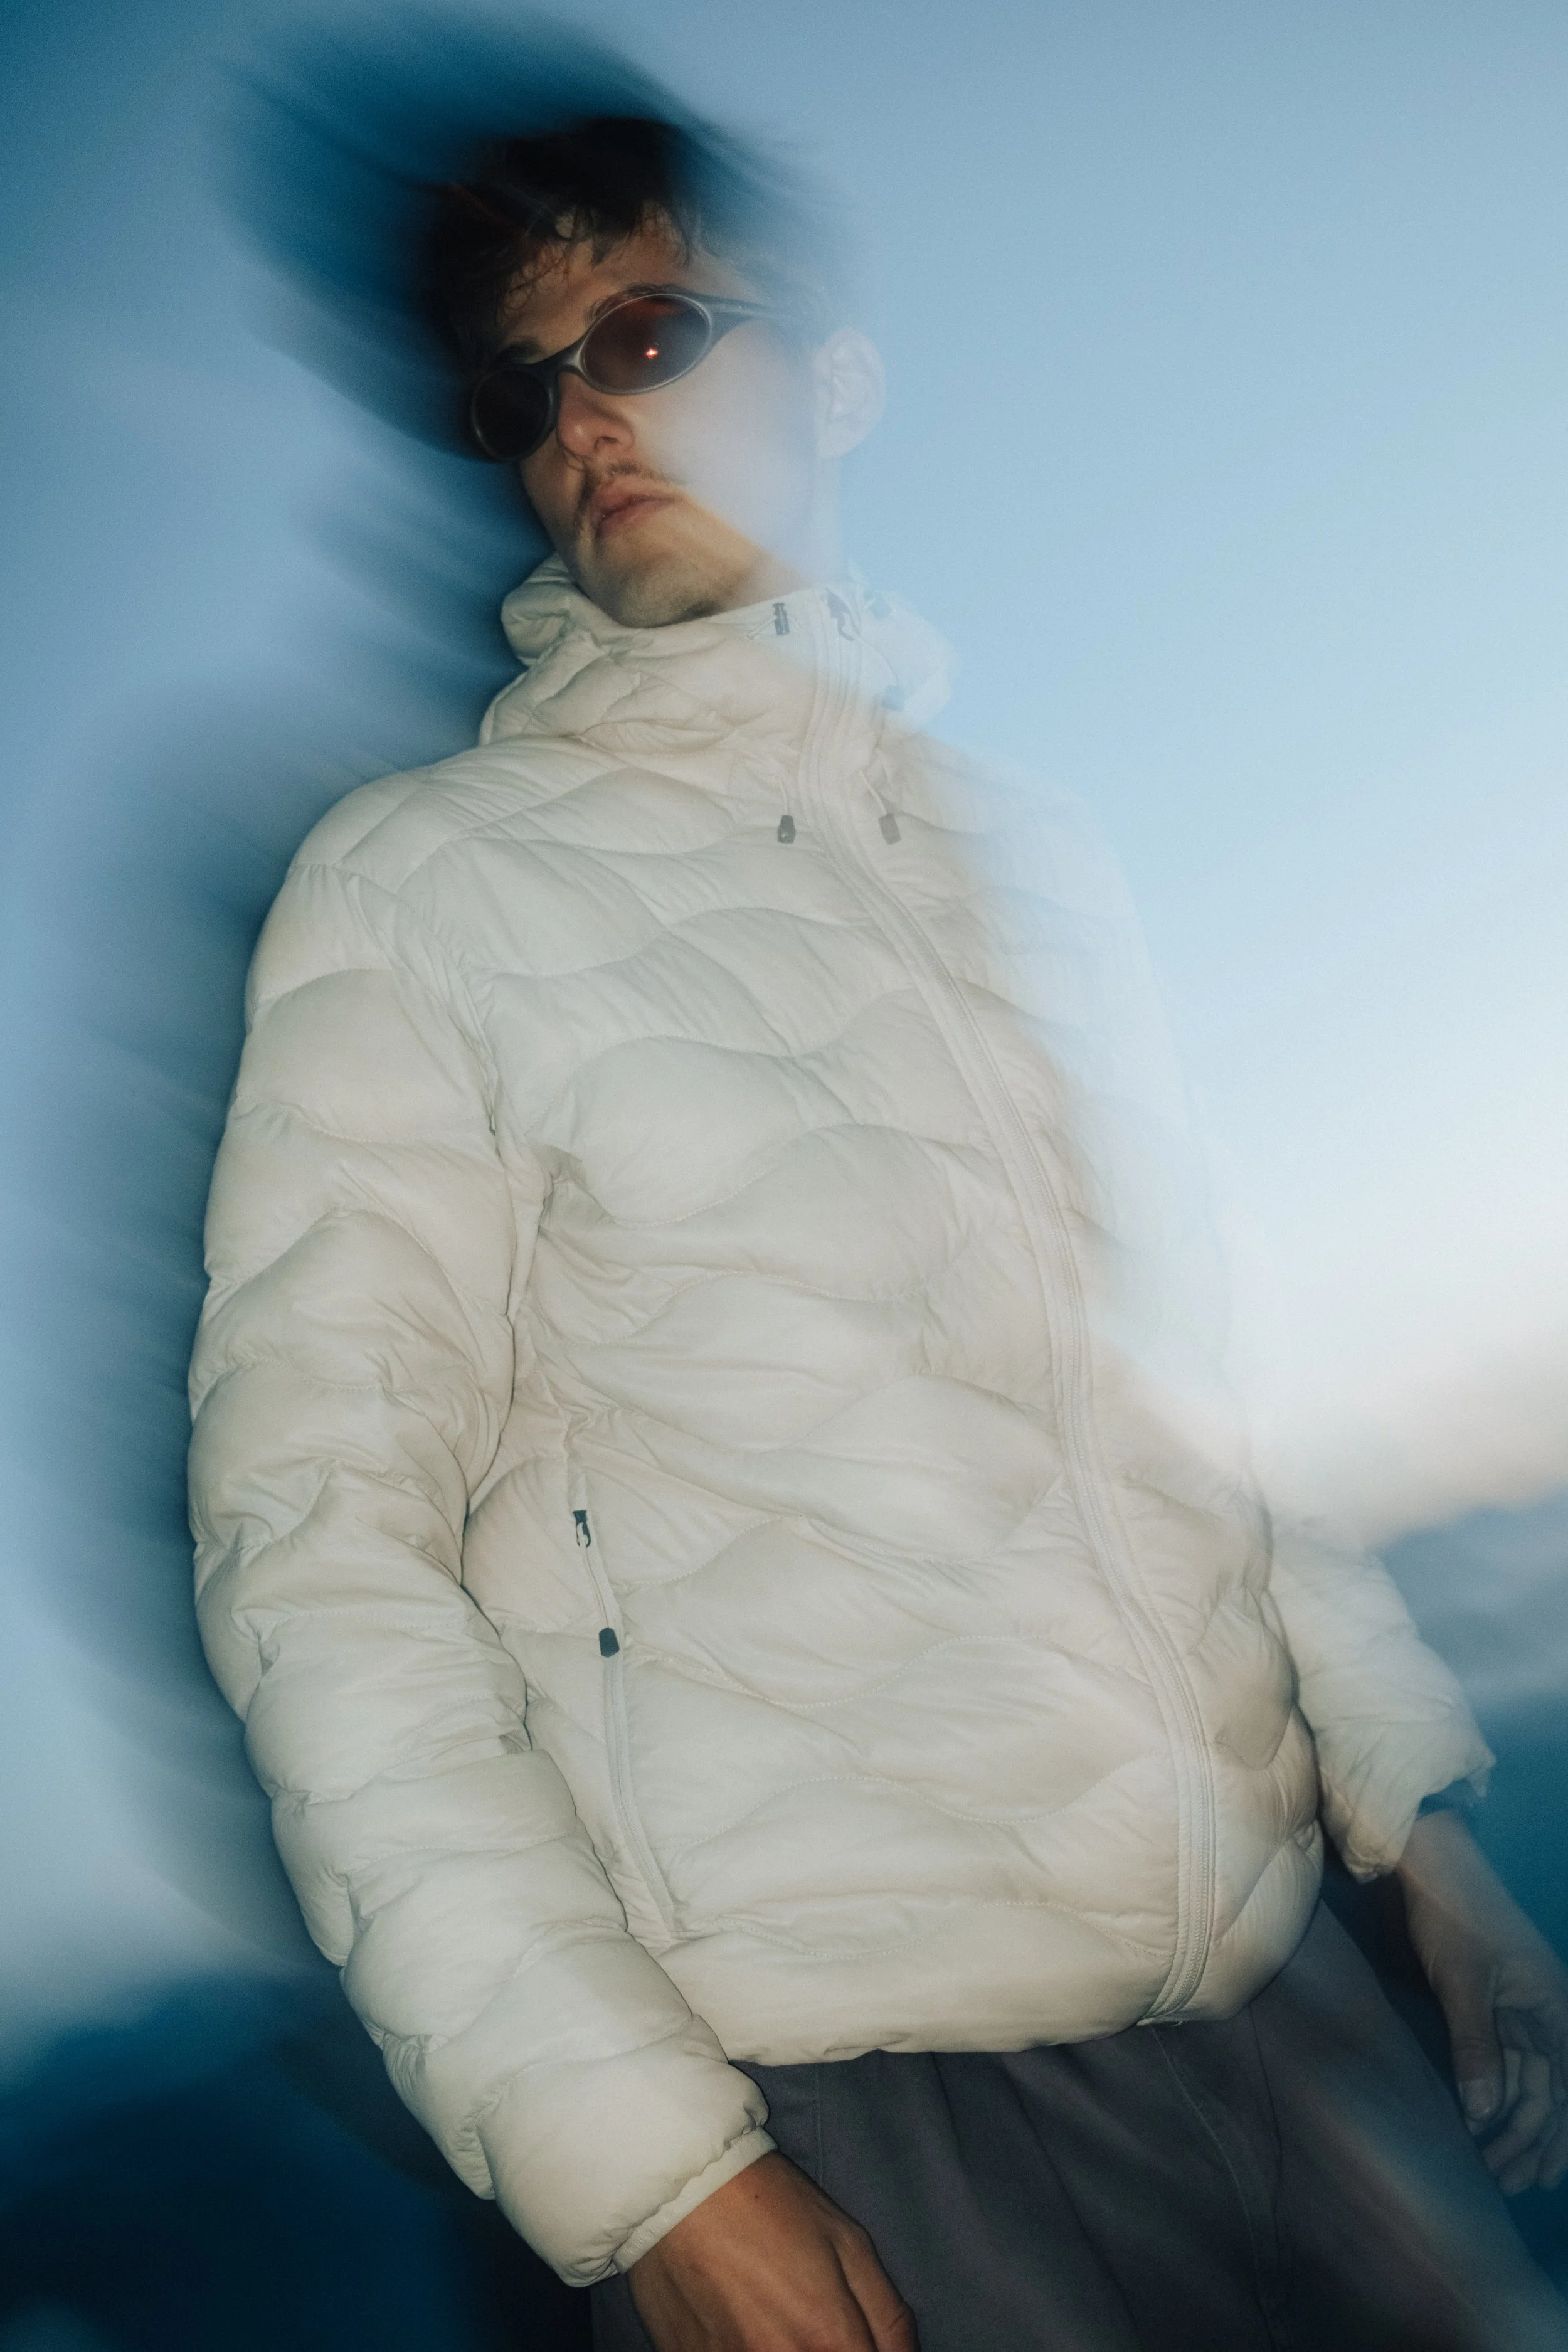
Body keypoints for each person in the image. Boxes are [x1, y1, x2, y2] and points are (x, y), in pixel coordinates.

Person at [188, 110, 1568, 2351]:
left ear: (835, 379)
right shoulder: (423, 883)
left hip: (1262, 2006)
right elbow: (316, 1542)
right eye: (521, 384)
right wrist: (652, 2169)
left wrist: (1419, 1834)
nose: (582, 419)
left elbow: (1180, 1397)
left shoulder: (1011, 846)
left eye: (640, 329)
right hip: (851, 2103)